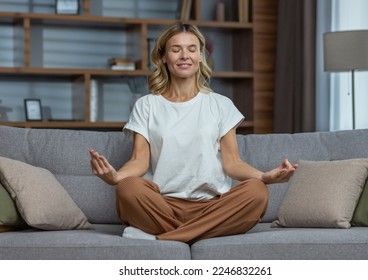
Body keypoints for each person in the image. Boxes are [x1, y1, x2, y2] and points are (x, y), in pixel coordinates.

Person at [89, 22, 297, 244]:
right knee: (128, 187)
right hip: (162, 206)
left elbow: (232, 163)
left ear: (200, 57)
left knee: (257, 191)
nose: (184, 55)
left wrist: (264, 177)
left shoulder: (221, 104)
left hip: (213, 206)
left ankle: (161, 238)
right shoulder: (147, 105)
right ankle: (199, 233)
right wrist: (116, 177)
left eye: (191, 49)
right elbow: (139, 161)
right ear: (163, 58)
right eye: (176, 49)